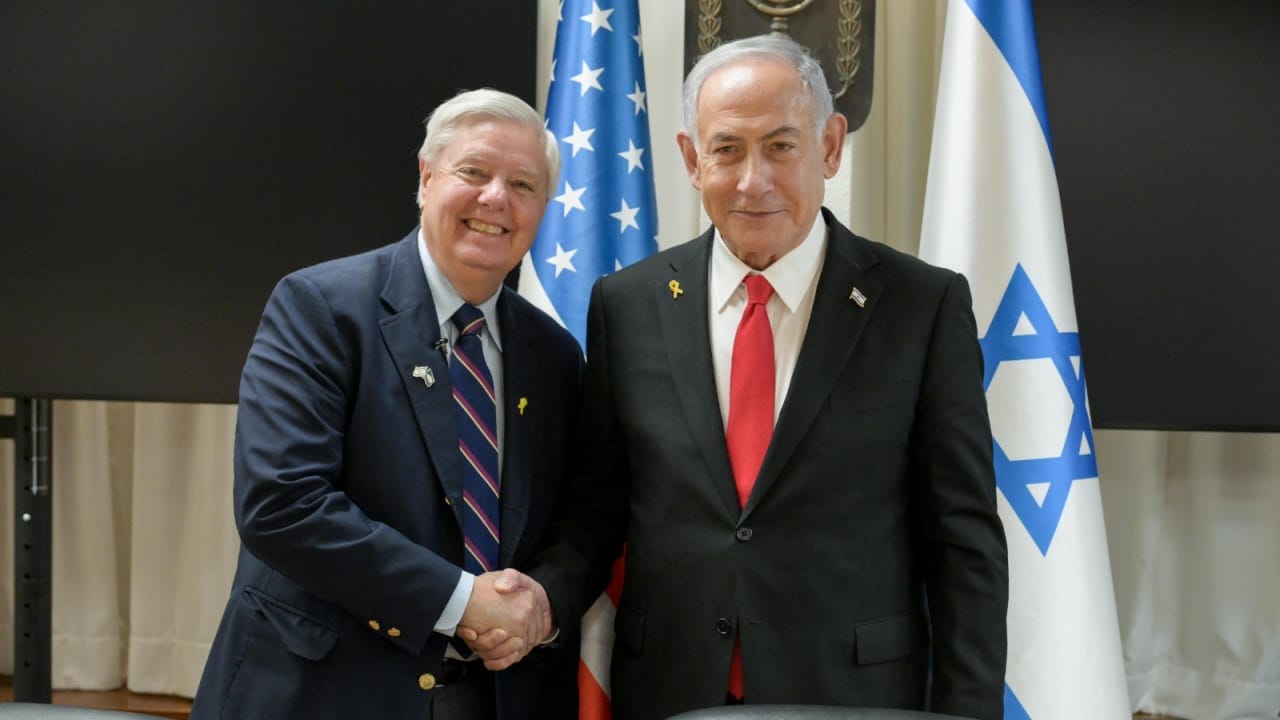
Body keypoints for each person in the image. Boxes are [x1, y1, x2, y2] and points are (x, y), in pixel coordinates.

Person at [476, 35, 1009, 719]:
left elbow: (963, 542)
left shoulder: (921, 306)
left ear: (830, 147)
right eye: (727, 149)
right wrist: (541, 600)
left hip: (853, 697)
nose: (754, 181)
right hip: (671, 692)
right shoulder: (627, 305)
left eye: (781, 146)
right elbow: (598, 511)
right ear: (692, 160)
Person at [190, 88, 582, 720]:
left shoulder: (555, 355)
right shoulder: (320, 307)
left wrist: (535, 605)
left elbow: (576, 519)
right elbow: (281, 503)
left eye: (523, 185)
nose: (496, 199)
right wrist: (461, 600)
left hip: (492, 696)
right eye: (474, 172)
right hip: (320, 694)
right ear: (426, 178)